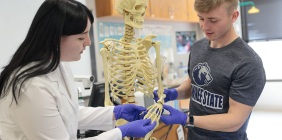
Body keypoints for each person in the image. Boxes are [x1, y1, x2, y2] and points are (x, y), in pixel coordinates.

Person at [0, 0, 155, 140]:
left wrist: (115, 112)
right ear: (55, 38)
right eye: (81, 37)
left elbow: (71, 115)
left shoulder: (59, 64)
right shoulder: (30, 87)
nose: (88, 42)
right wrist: (121, 132)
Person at [153, 0, 266, 139]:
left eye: (213, 20)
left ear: (234, 16)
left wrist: (187, 119)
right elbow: (193, 83)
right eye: (201, 18)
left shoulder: (248, 63)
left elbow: (234, 120)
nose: (205, 26)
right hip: (194, 136)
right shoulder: (198, 47)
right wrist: (174, 93)